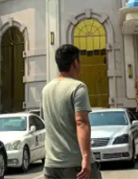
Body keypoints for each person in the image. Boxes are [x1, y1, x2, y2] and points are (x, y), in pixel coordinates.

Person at [41, 44, 102, 179]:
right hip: (75, 165)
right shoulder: (78, 87)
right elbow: (81, 122)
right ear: (74, 63)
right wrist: (85, 158)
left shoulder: (46, 90)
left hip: (51, 165)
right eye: (79, 61)